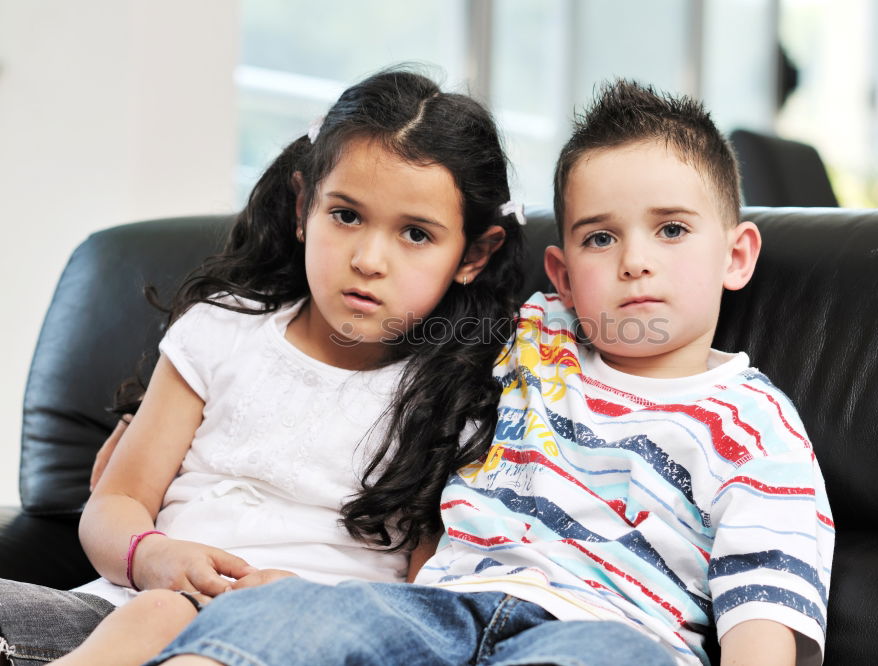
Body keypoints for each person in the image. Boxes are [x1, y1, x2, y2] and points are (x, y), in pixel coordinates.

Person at [145, 80, 834, 666]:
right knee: (281, 617)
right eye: (601, 237)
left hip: (607, 633)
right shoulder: (525, 338)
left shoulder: (755, 426)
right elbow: (368, 329)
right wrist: (161, 427)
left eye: (672, 230)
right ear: (560, 275)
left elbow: (764, 599)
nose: (635, 261)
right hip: (440, 615)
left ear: (736, 256)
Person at [0, 67, 526, 666]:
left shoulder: (460, 392)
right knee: (159, 611)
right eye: (347, 215)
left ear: (473, 255)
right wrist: (152, 556)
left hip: (302, 638)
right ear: (305, 208)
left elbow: (434, 591)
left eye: (414, 234)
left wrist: (312, 611)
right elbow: (114, 501)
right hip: (124, 610)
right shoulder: (222, 328)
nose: (369, 259)